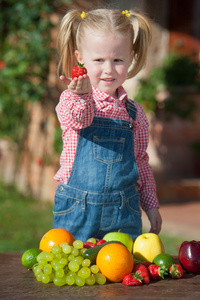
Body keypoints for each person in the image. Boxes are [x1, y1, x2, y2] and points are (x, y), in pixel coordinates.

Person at [53, 8, 162, 242]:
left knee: (120, 271)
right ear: (80, 57)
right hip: (78, 211)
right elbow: (79, 119)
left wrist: (151, 204)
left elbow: (140, 162)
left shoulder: (135, 113)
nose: (109, 69)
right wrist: (82, 96)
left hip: (124, 212)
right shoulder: (71, 99)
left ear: (131, 56)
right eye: (99, 60)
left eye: (118, 60)